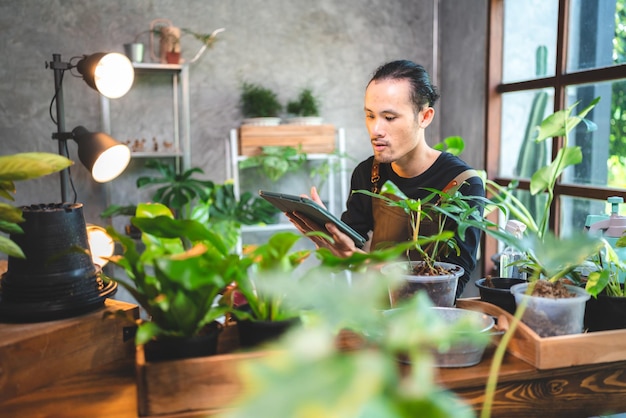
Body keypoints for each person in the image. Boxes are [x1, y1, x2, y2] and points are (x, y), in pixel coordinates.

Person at [288, 60, 484, 297]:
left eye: (389, 118)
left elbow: (452, 286)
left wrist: (357, 259)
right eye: (370, 116)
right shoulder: (368, 173)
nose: (375, 129)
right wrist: (324, 234)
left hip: (430, 322)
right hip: (375, 315)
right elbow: (346, 251)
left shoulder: (463, 183)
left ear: (424, 116)